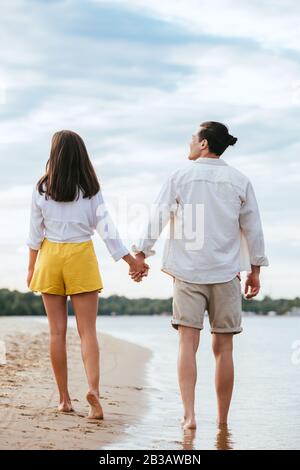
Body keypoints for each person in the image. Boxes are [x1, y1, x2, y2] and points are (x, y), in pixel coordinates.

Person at [131, 121, 269, 429]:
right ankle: (222, 422)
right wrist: (255, 270)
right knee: (224, 349)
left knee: (186, 345)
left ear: (204, 143)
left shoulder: (180, 177)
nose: (190, 142)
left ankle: (189, 416)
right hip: (226, 274)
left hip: (188, 272)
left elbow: (158, 215)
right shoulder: (240, 180)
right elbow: (253, 228)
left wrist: (141, 253)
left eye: (193, 137)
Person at [26, 130, 149, 419]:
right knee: (87, 332)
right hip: (80, 256)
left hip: (50, 257)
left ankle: (64, 399)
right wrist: (131, 262)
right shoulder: (90, 189)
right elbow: (108, 232)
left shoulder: (42, 189)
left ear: (54, 154)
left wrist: (31, 268)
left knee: (56, 332)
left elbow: (34, 234)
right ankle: (93, 390)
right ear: (82, 155)